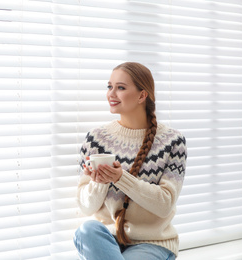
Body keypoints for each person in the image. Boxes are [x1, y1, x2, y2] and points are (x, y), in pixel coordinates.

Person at [73, 62, 187, 260]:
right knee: (87, 230)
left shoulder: (172, 141)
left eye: (121, 88)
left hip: (152, 243)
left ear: (142, 95)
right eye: (109, 86)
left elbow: (165, 204)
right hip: (107, 240)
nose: (111, 94)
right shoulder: (95, 139)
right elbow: (86, 207)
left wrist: (121, 178)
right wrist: (99, 182)